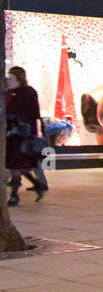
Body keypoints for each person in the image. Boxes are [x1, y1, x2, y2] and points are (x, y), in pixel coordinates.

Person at [5, 66, 48, 206]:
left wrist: (19, 121)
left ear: (19, 79)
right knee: (15, 165)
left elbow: (34, 114)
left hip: (23, 134)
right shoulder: (10, 94)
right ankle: (37, 184)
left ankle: (15, 195)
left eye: (11, 78)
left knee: (16, 164)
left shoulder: (27, 93)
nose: (9, 81)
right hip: (12, 133)